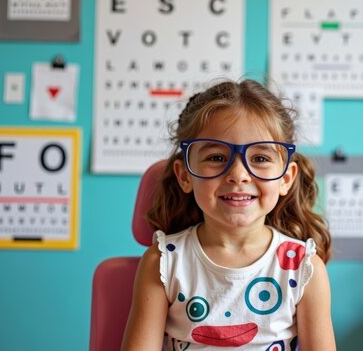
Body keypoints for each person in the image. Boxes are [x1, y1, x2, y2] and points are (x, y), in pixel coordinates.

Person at [122, 79, 335, 350]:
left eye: (260, 158)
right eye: (216, 158)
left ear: (286, 178)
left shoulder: (304, 268)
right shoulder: (163, 263)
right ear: (185, 175)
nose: (238, 175)